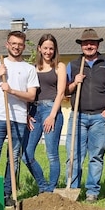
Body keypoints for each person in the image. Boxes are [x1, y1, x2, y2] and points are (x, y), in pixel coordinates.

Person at [0, 31, 39, 208]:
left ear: (23, 46)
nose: (16, 47)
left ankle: (7, 194)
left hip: (19, 120)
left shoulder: (29, 69)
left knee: (13, 159)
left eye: (20, 44)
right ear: (7, 44)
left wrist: (12, 90)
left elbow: (31, 96)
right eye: (13, 43)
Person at [65, 29, 105, 202]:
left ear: (98, 44)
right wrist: (74, 83)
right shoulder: (74, 65)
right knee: (74, 155)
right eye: (86, 43)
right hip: (78, 116)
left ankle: (92, 191)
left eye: (92, 43)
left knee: (96, 155)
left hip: (101, 117)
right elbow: (64, 91)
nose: (89, 46)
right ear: (81, 45)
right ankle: (73, 188)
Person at [26, 34, 66, 193]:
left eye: (51, 48)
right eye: (45, 48)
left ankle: (51, 190)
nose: (48, 51)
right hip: (34, 111)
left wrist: (52, 116)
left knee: (52, 154)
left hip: (52, 109)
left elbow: (61, 92)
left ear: (54, 49)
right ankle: (43, 186)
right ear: (39, 48)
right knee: (26, 154)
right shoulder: (32, 67)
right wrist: (27, 114)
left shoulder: (59, 66)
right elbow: (28, 92)